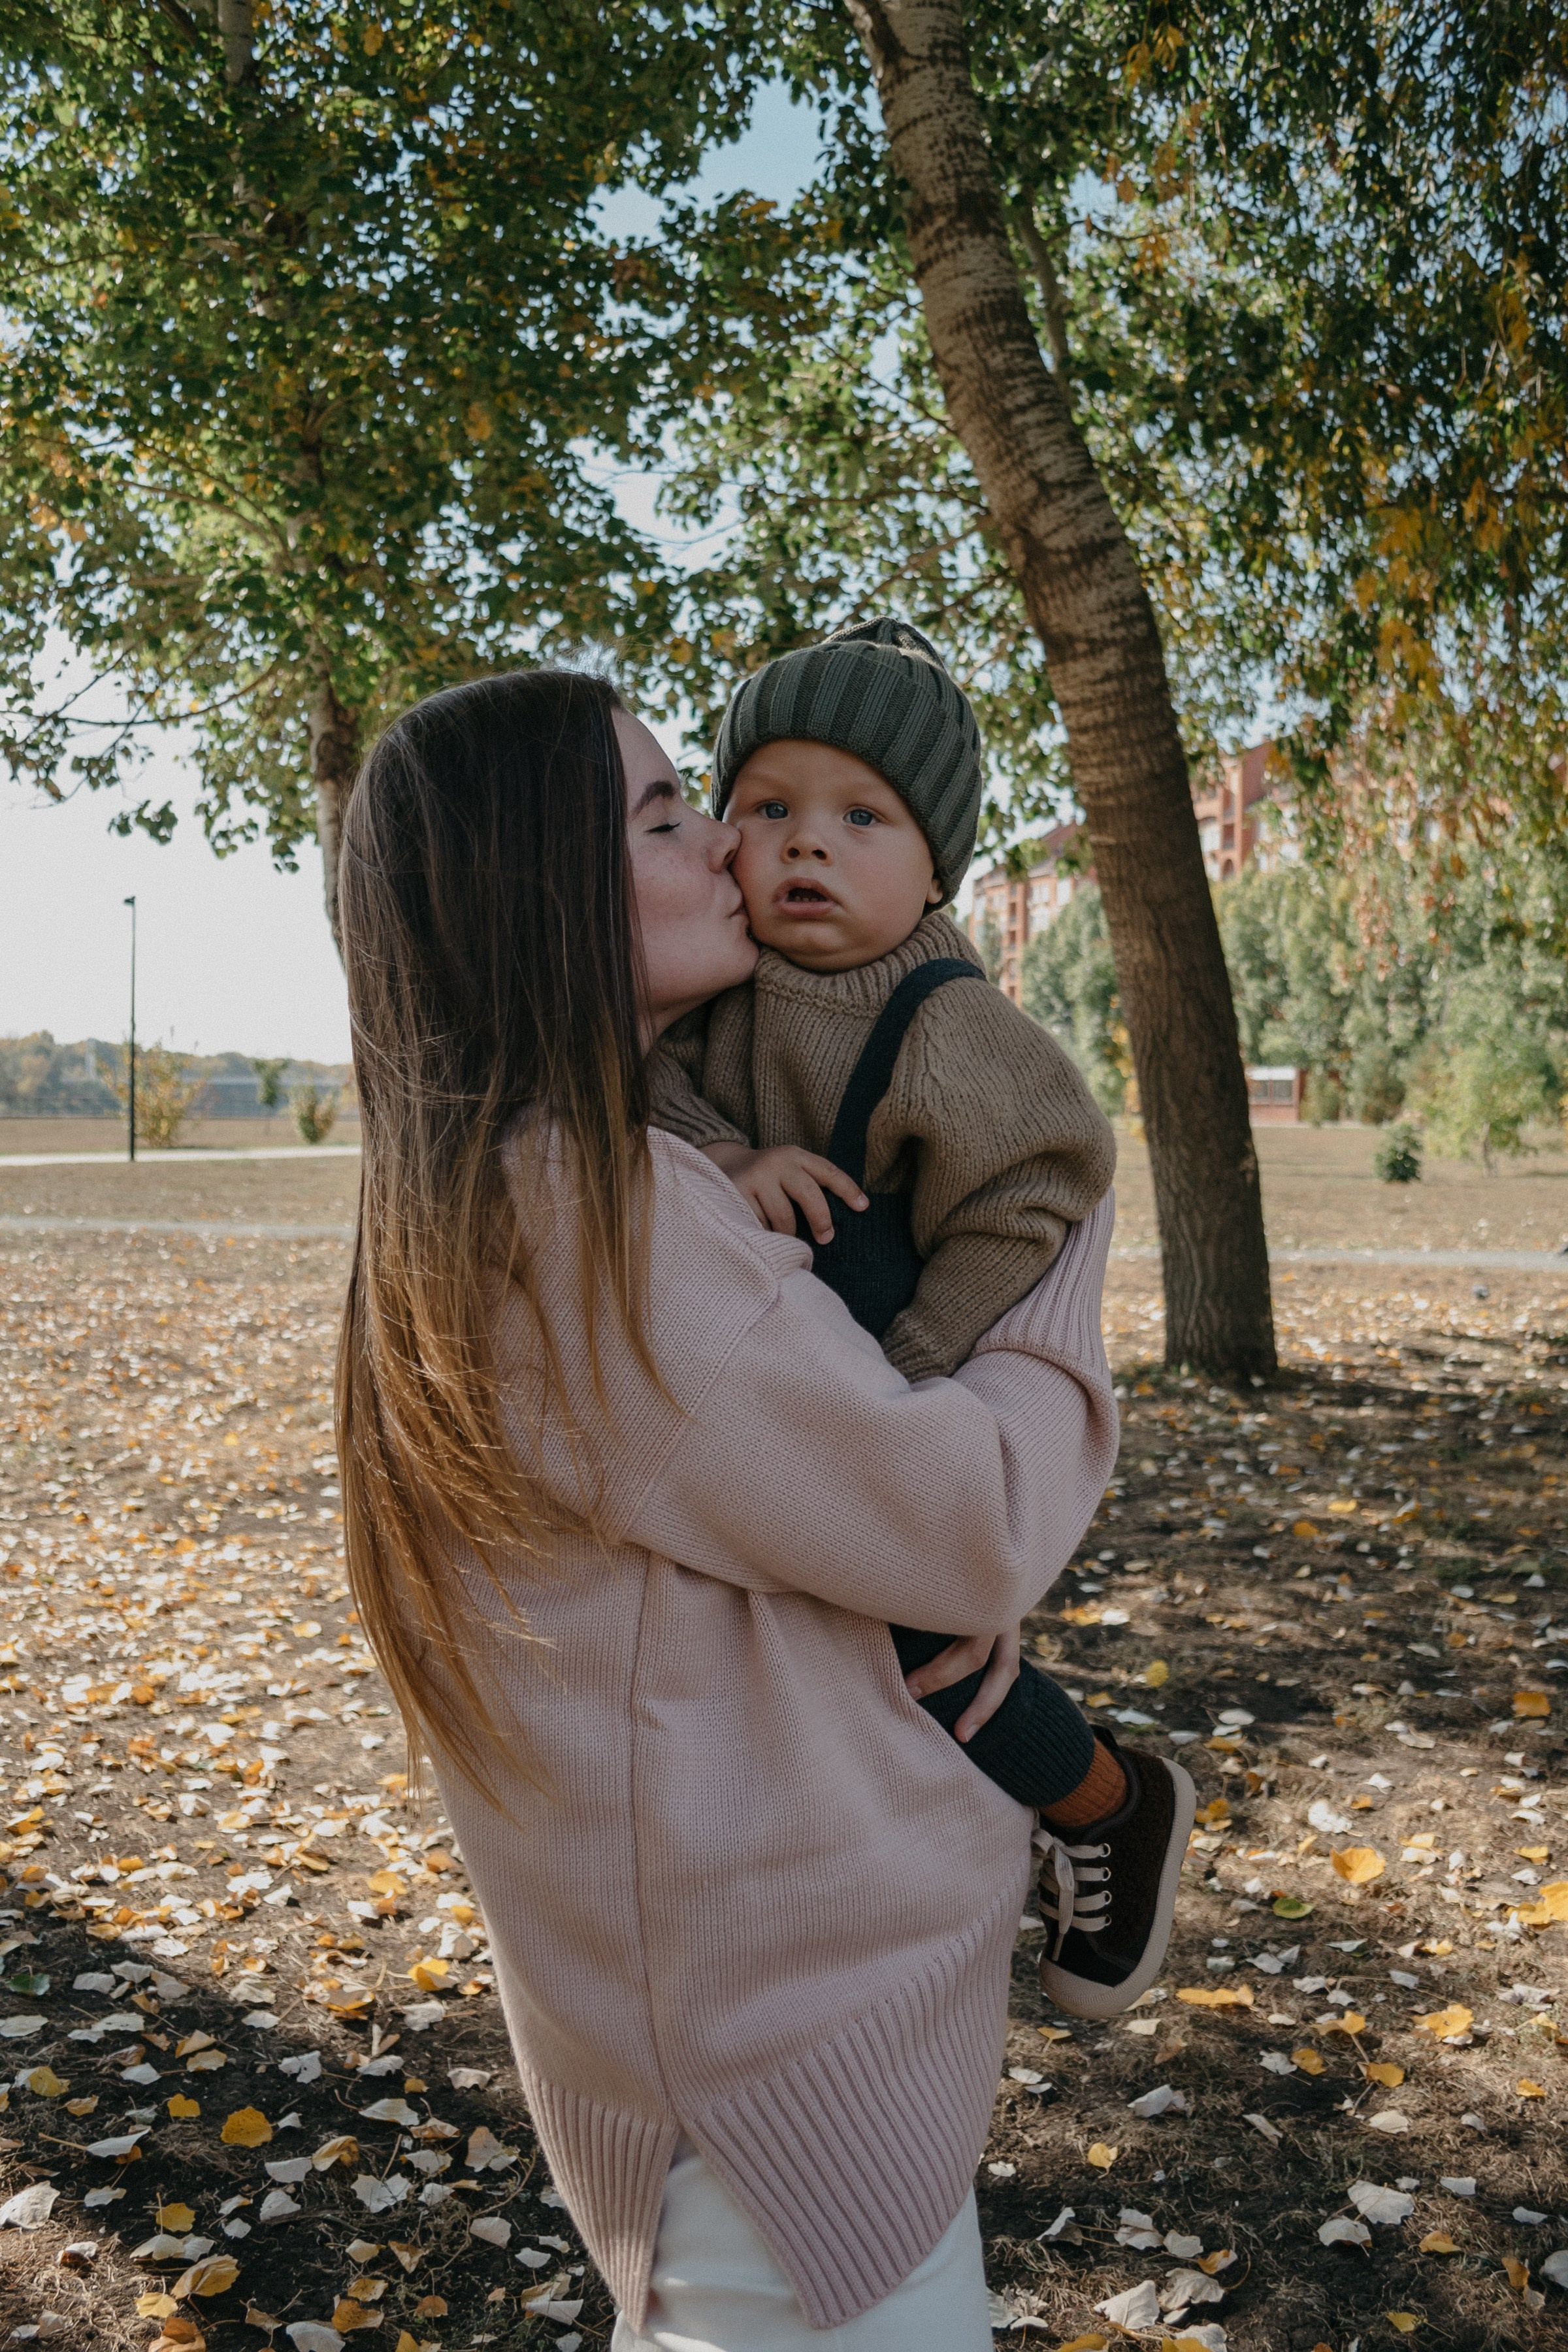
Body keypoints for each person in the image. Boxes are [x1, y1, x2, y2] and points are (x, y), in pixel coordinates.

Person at [336, 666, 1118, 2350]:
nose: (727, 853)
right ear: (540, 889)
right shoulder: (591, 1219)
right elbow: (968, 1521)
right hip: (781, 2099)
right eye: (666, 814)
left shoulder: (559, 1176)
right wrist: (1065, 1256)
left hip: (750, 2067)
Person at [650, 619, 1192, 2014]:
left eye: (859, 816)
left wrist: (924, 1371)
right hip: (784, 1383)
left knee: (933, 1651)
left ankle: (1103, 1802)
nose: (805, 847)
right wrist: (722, 1158)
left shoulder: (946, 1018)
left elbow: (1046, 1168)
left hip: (895, 1369)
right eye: (765, 810)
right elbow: (625, 1086)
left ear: (939, 863)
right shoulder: (720, 983)